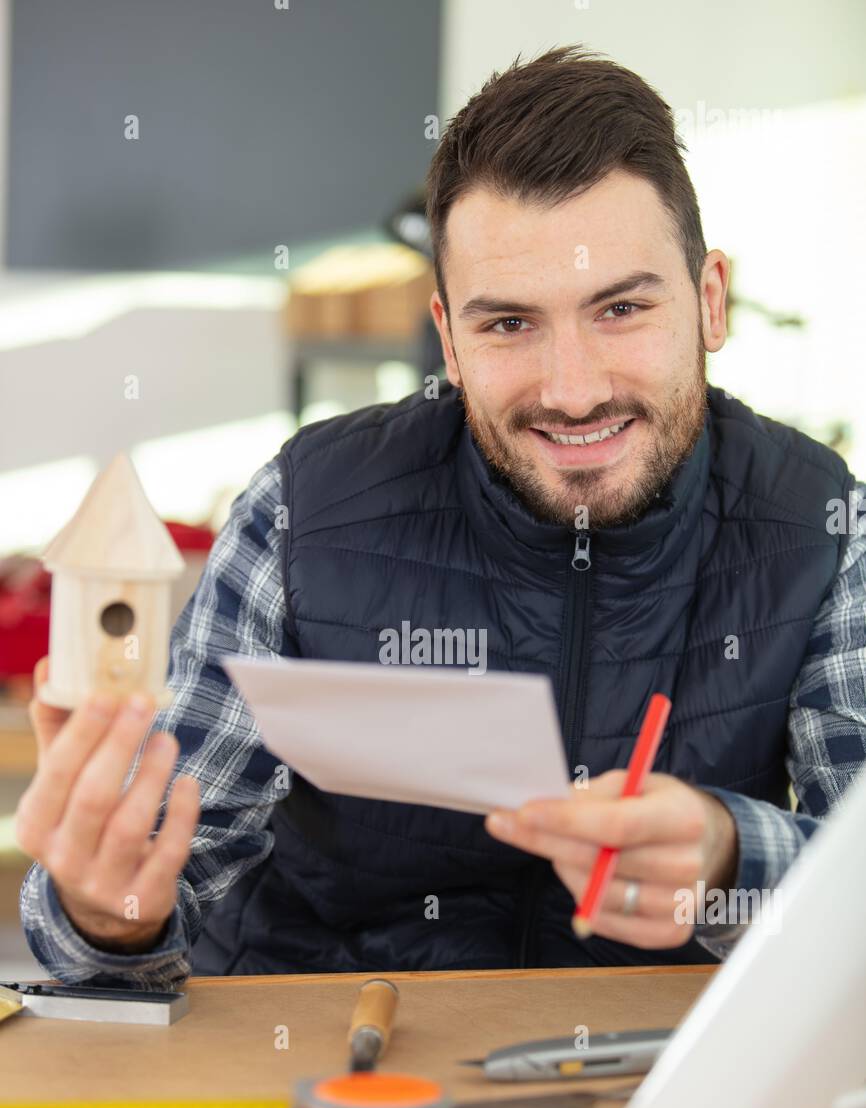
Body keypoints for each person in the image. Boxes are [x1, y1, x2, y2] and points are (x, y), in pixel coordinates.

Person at [17, 44, 866, 986]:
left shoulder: (822, 524)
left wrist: (730, 858)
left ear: (710, 302)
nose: (573, 390)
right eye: (508, 324)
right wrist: (107, 912)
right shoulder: (301, 511)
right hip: (316, 1074)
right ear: (450, 340)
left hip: (654, 1089)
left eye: (621, 309)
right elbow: (156, 893)